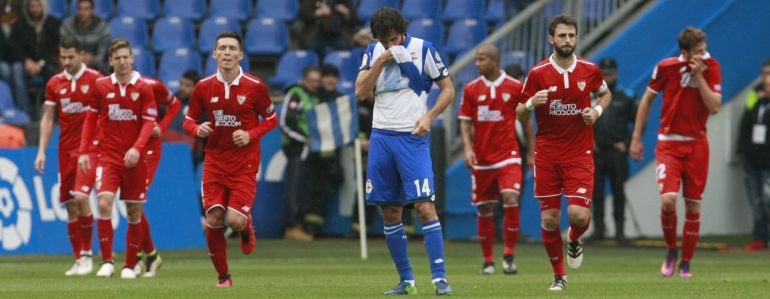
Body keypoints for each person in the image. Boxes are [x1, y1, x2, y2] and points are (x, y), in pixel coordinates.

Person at [354, 7, 455, 296]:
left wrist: (430, 116)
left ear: (402, 30)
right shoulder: (374, 52)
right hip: (382, 136)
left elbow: (448, 89)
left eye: (394, 38)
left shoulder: (424, 49)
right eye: (384, 40)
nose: (391, 43)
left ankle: (440, 279)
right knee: (390, 210)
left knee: (424, 206)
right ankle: (406, 280)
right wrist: (382, 59)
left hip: (412, 137)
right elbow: (361, 92)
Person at [516, 15, 612, 291]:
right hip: (547, 155)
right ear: (551, 39)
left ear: (576, 38)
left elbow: (605, 95)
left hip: (579, 153)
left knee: (579, 215)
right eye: (562, 36)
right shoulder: (537, 74)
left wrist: (596, 111)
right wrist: (533, 102)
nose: (567, 40)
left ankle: (574, 237)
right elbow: (519, 114)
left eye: (571, 35)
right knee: (549, 219)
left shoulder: (590, 70)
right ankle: (559, 276)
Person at [183, 31, 278, 288]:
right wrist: (196, 130)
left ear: (240, 54)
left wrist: (250, 134)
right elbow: (189, 120)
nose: (226, 52)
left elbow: (271, 119)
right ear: (214, 54)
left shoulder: (255, 86)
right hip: (214, 161)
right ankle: (224, 276)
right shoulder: (203, 87)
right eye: (222, 48)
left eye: (231, 48)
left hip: (244, 164)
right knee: (213, 219)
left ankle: (246, 226)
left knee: (234, 221)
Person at [629, 27, 722, 278]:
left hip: (697, 144)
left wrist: (700, 76)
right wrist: (636, 138)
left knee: (693, 206)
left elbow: (714, 107)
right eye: (698, 52)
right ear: (685, 52)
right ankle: (671, 250)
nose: (703, 55)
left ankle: (686, 263)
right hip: (669, 143)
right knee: (669, 200)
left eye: (704, 50)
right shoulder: (666, 67)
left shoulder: (711, 67)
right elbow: (647, 100)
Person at [77, 39, 158, 279]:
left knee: (133, 212)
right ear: (110, 60)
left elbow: (148, 123)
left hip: (136, 159)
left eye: (126, 57)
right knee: (103, 203)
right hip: (108, 157)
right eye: (117, 58)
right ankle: (107, 261)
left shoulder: (144, 87)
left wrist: (137, 148)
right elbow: (90, 120)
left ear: (132, 58)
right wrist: (83, 151)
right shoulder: (101, 86)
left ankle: (130, 265)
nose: (122, 62)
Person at [459, 44, 533, 276]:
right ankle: (488, 261)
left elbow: (526, 120)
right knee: (485, 208)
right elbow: (465, 121)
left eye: (481, 59)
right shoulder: (471, 89)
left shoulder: (514, 86)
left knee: (510, 197)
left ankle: (509, 256)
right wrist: (468, 149)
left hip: (508, 156)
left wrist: (531, 151)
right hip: (481, 159)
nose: (477, 63)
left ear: (493, 61)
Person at [35, 36, 101, 276]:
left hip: (91, 150)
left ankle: (88, 254)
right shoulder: (54, 83)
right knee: (70, 205)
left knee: (82, 197)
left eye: (71, 57)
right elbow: (49, 118)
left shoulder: (96, 80)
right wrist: (42, 150)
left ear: (81, 55)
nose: (67, 61)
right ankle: (79, 258)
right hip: (65, 149)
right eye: (63, 57)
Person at [130, 75, 181, 277]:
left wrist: (163, 125)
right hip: (125, 149)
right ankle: (150, 256)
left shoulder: (152, 86)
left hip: (148, 150)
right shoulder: (109, 87)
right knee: (130, 204)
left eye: (125, 58)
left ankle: (136, 258)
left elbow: (175, 104)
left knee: (135, 203)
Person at [590, 58, 637, 243]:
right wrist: (589, 142)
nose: (607, 77)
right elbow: (580, 122)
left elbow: (638, 122)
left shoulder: (627, 95)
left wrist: (627, 143)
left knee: (619, 191)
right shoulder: (590, 96)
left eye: (610, 73)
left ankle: (620, 231)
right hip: (597, 152)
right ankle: (599, 229)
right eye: (604, 73)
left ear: (615, 73)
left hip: (617, 152)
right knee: (596, 192)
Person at [279, 66, 321, 242]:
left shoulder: (313, 97)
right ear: (304, 79)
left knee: (303, 188)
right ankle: (291, 226)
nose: (315, 84)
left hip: (309, 150)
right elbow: (285, 123)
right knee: (294, 188)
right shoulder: (296, 94)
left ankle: (299, 224)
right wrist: (303, 139)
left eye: (317, 81)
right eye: (311, 81)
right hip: (296, 148)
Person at [738, 60, 770, 251]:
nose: (766, 80)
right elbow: (745, 124)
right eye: (765, 75)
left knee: (767, 198)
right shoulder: (755, 97)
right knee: (756, 199)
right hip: (752, 158)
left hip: (768, 159)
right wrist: (742, 151)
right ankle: (760, 236)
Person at [9, 0, 61, 115]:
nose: (35, 9)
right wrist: (26, 61)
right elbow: (14, 49)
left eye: (38, 5)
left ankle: (49, 109)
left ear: (43, 7)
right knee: (16, 68)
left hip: (46, 62)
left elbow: (54, 49)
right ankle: (24, 111)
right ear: (27, 7)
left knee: (53, 70)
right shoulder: (19, 24)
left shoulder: (53, 23)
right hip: (26, 63)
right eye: (32, 6)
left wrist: (40, 63)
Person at [59, 0, 110, 72]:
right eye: (80, 8)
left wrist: (93, 59)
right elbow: (63, 48)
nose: (82, 12)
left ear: (92, 10)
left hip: (95, 64)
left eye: (86, 9)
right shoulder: (68, 25)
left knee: (104, 66)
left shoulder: (101, 26)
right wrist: (77, 58)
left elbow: (102, 52)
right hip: (72, 61)